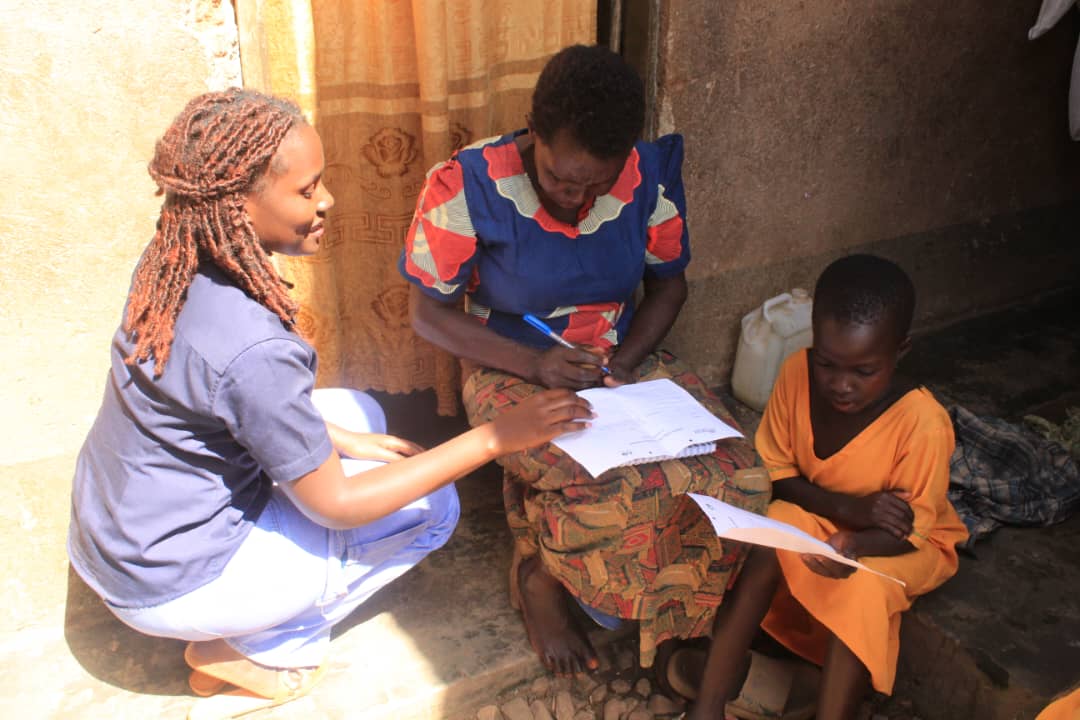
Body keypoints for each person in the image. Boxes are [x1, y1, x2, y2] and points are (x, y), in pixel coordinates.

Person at [67, 88, 593, 719]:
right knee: (434, 508)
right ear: (237, 201)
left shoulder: (172, 264)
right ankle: (256, 647)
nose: (327, 202)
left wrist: (346, 442)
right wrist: (495, 438)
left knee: (360, 416)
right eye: (306, 190)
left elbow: (230, 398)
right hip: (172, 581)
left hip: (120, 537)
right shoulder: (253, 346)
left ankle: (253, 606)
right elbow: (339, 507)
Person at [400, 44, 768, 677]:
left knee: (741, 479)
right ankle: (541, 579)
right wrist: (536, 365)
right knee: (609, 487)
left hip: (617, 360)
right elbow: (427, 313)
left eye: (595, 183)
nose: (575, 197)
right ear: (533, 133)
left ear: (624, 158)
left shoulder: (646, 174)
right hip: (508, 367)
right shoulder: (468, 185)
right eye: (559, 178)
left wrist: (623, 364)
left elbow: (669, 284)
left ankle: (668, 612)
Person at [683, 255, 969, 720]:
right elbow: (778, 476)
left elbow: (910, 531)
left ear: (901, 351)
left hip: (901, 543)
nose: (841, 385)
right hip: (836, 518)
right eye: (827, 363)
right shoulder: (796, 372)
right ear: (812, 343)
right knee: (770, 532)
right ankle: (708, 706)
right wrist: (848, 509)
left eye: (864, 371)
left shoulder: (922, 424)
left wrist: (854, 540)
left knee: (862, 592)